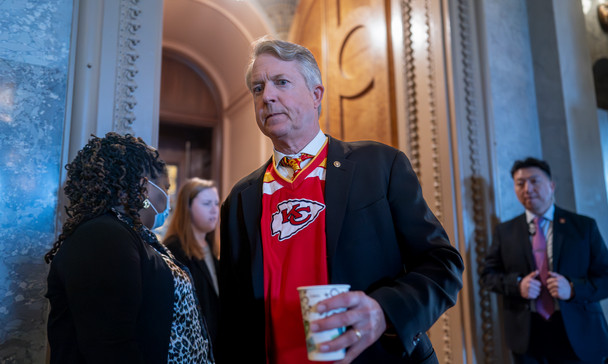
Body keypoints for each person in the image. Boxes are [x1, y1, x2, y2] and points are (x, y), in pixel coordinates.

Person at [219, 36, 464, 364]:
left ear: (316, 94)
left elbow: (442, 265)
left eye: (281, 82)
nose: (268, 96)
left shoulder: (379, 166)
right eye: (258, 88)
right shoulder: (239, 200)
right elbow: (233, 317)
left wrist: (383, 312)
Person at [44, 133, 213, 363]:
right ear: (144, 187)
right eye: (166, 188)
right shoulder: (103, 235)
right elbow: (111, 347)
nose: (168, 199)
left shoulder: (131, 235)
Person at [480, 157, 608, 364]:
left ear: (551, 185)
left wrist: (573, 288)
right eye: (520, 183)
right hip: (528, 337)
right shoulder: (505, 231)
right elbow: (487, 275)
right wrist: (517, 285)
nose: (527, 188)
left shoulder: (583, 227)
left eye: (534, 181)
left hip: (579, 333)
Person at [163, 177, 221, 360]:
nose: (214, 210)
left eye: (216, 204)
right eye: (206, 203)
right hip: (192, 350)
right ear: (187, 208)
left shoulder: (213, 248)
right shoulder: (174, 250)